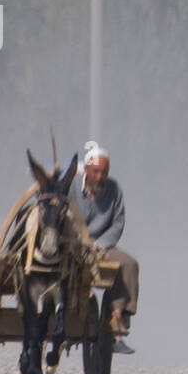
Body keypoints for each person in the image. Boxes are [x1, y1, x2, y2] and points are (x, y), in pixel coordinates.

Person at [70, 146, 139, 354]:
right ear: (87, 171)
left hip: (101, 246)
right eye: (96, 172)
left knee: (128, 264)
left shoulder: (114, 189)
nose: (100, 177)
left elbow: (117, 224)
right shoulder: (71, 187)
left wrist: (98, 245)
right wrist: (78, 243)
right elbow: (61, 216)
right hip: (71, 246)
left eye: (104, 172)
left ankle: (118, 321)